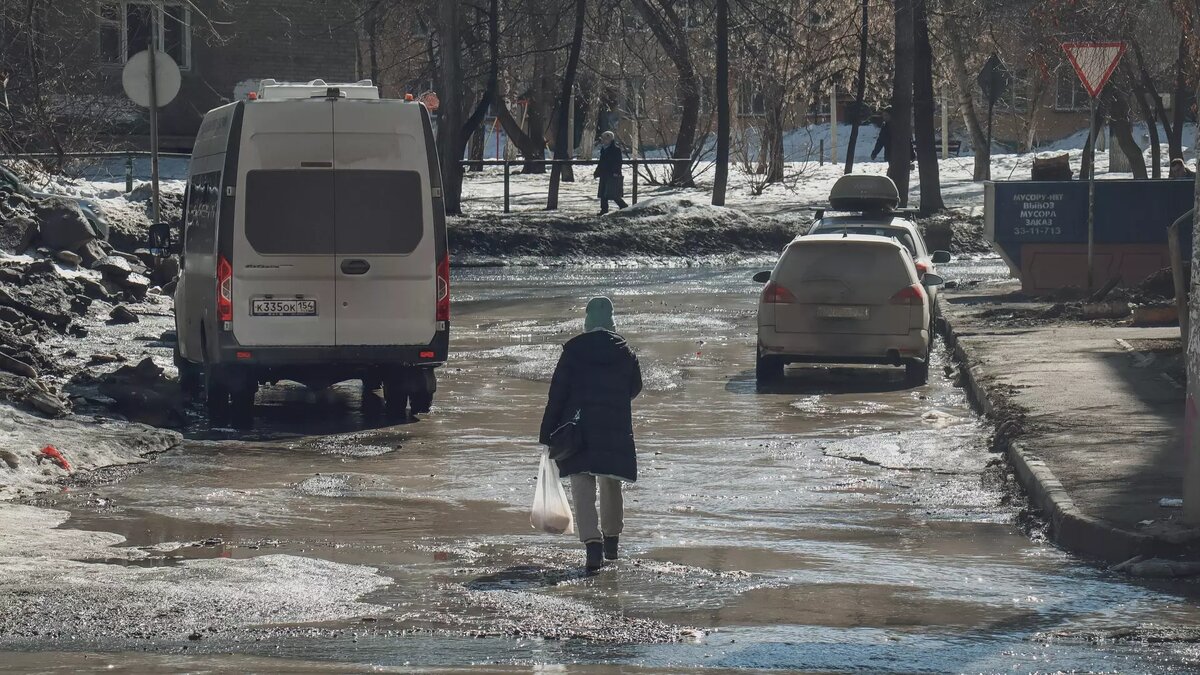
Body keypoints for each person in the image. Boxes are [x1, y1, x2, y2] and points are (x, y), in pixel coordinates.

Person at [539, 296, 642, 572]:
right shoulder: (626, 352)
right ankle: (612, 541)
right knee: (611, 482)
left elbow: (557, 395)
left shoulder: (573, 351)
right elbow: (635, 388)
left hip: (579, 430)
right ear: (611, 321)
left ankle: (592, 546)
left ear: (587, 321)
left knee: (582, 483)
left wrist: (546, 433)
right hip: (614, 428)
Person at [595, 131, 628, 214]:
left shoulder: (616, 149)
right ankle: (604, 209)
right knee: (603, 193)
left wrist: (616, 172)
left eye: (604, 139)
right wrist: (597, 171)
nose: (603, 140)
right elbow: (601, 162)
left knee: (613, 193)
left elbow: (618, 162)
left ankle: (623, 206)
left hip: (612, 174)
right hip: (604, 173)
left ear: (609, 139)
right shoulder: (604, 149)